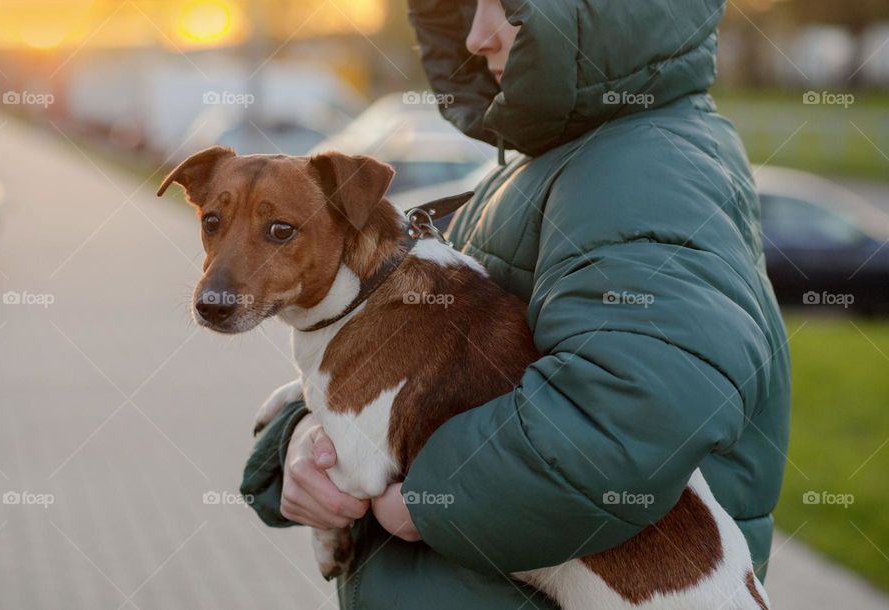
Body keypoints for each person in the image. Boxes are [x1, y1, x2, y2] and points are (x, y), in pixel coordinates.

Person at [242, 0, 791, 607]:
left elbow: (628, 413)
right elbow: (421, 373)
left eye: (507, 4)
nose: (476, 36)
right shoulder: (548, 167)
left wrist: (422, 502)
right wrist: (305, 436)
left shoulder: (649, 172)